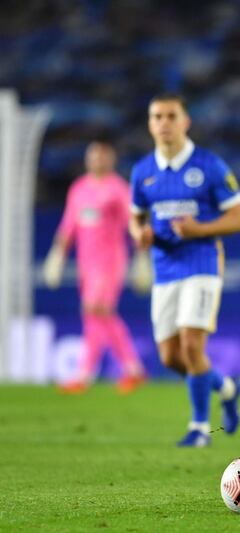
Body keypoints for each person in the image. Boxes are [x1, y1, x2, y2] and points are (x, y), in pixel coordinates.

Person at [129, 94, 240, 447]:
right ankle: (227, 388)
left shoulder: (208, 165)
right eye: (157, 117)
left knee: (192, 346)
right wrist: (141, 234)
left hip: (201, 264)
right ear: (150, 124)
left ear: (186, 122)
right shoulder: (143, 172)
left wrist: (199, 229)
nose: (164, 122)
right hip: (164, 268)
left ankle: (199, 428)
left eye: (171, 116)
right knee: (171, 356)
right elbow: (135, 217)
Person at [43, 140, 147, 394]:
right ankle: (131, 369)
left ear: (110, 160)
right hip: (85, 264)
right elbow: (69, 225)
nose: (97, 161)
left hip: (110, 261)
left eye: (102, 156)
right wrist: (57, 255)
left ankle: (85, 374)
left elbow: (133, 225)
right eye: (93, 156)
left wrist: (141, 258)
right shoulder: (79, 189)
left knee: (96, 309)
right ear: (87, 159)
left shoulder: (118, 189)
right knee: (95, 314)